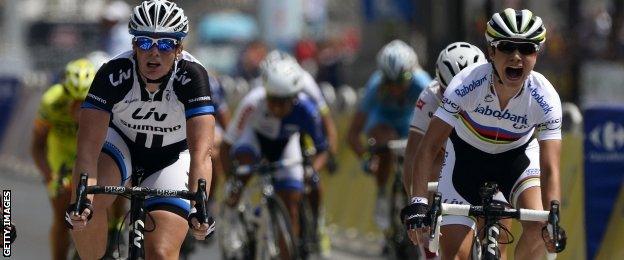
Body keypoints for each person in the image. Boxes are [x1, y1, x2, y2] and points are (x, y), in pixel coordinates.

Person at [402, 8, 567, 259]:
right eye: (507, 47)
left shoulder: (545, 97)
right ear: (491, 51)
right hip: (466, 162)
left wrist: (553, 215)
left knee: (537, 228)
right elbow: (428, 147)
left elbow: (551, 167)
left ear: (536, 55)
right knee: (455, 256)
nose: (516, 57)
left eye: (526, 49)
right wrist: (418, 202)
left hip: (516, 160)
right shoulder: (466, 84)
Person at [65, 1, 216, 259]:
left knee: (161, 252)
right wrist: (82, 203)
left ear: (179, 48)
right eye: (145, 43)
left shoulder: (193, 77)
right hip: (121, 146)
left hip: (171, 156)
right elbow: (87, 149)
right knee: (86, 208)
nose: (154, 53)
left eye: (166, 44)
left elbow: (201, 151)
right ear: (134, 45)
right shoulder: (113, 73)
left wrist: (198, 208)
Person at [220, 58, 329, 258]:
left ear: (294, 97)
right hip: (253, 140)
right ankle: (234, 218)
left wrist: (311, 169)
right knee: (244, 165)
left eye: (283, 102)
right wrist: (232, 181)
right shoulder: (252, 102)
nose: (277, 108)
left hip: (286, 144)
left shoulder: (307, 109)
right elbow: (226, 146)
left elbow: (322, 149)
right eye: (273, 100)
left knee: (291, 204)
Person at [402, 41, 488, 259]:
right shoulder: (429, 97)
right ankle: (432, 242)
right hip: (448, 159)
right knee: (433, 162)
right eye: (449, 92)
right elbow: (413, 157)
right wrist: (417, 207)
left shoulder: (495, 90)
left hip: (485, 157)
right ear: (439, 84)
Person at [259, 49, 338, 256]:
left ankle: (317, 221)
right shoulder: (262, 89)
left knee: (311, 175)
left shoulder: (306, 84)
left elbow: (326, 121)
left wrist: (331, 151)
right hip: (275, 130)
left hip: (300, 128)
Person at [347, 39, 431, 231]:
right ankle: (383, 194)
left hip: (411, 123)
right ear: (382, 77)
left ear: (411, 74)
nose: (395, 88)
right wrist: (367, 157)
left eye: (401, 82)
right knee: (386, 142)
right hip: (382, 123)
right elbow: (352, 134)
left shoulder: (423, 84)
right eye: (389, 83)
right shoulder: (375, 86)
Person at [31, 58, 96, 260]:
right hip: (61, 161)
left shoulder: (102, 102)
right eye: (72, 97)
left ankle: (112, 230)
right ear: (63, 89)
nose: (77, 105)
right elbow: (37, 146)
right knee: (62, 218)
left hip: (91, 158)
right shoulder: (51, 101)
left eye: (83, 99)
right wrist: (49, 175)